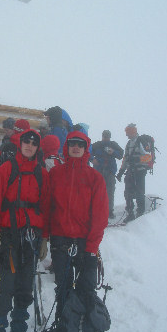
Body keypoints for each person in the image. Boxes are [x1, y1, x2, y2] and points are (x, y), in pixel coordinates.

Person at [0, 129, 50, 332]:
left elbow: (46, 207)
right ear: (20, 144)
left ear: (37, 147)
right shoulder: (6, 169)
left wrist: (45, 238)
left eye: (34, 142)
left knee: (24, 289)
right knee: (5, 291)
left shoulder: (42, 174)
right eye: (26, 141)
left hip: (31, 238)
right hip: (9, 238)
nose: (29, 145)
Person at [49, 131, 109, 319]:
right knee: (63, 288)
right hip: (60, 240)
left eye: (80, 145)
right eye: (72, 143)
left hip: (85, 243)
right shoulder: (55, 173)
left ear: (85, 149)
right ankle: (62, 329)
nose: (76, 147)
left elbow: (100, 215)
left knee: (86, 289)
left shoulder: (94, 177)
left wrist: (92, 248)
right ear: (67, 147)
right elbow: (47, 206)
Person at [116, 123, 150, 223]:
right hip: (130, 171)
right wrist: (121, 172)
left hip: (140, 171)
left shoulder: (141, 141)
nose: (126, 135)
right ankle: (130, 213)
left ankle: (140, 212)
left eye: (127, 132)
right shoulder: (129, 143)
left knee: (139, 192)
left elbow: (148, 157)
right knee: (128, 193)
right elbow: (126, 158)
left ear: (132, 132)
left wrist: (137, 159)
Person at [92, 130, 124, 219]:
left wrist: (113, 152)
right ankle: (98, 212)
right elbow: (88, 152)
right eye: (105, 137)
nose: (106, 138)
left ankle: (109, 212)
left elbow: (121, 155)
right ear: (102, 136)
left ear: (109, 137)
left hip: (110, 172)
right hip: (98, 172)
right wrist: (92, 159)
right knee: (98, 192)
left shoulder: (113, 145)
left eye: (107, 137)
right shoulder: (97, 145)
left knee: (109, 192)